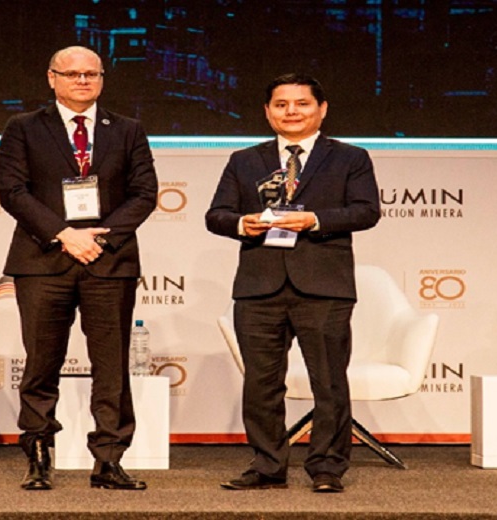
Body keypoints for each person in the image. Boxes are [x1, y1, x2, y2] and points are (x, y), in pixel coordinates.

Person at [205, 73, 380, 493]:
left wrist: (314, 220)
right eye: (281, 104)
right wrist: (242, 224)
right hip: (259, 287)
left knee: (329, 382)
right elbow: (216, 215)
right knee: (261, 384)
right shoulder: (244, 160)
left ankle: (327, 467)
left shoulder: (350, 158)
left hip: (323, 286)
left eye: (302, 103)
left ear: (322, 109)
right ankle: (267, 465)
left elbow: (366, 211)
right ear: (268, 112)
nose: (291, 112)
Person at [0, 46, 158, 491]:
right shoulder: (23, 128)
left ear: (102, 79)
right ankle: (38, 456)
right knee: (41, 363)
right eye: (71, 74)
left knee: (112, 366)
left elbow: (144, 193)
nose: (82, 80)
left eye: (91, 73)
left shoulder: (127, 130)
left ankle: (109, 460)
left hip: (109, 260)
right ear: (52, 78)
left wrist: (100, 237)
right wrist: (64, 234)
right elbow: (13, 191)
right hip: (43, 260)